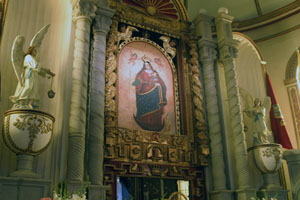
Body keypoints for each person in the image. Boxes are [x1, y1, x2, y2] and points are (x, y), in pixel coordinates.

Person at [132, 59, 167, 131]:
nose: (147, 66)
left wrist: (159, 84)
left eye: (148, 65)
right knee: (147, 107)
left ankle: (156, 124)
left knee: (156, 106)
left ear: (150, 65)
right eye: (145, 65)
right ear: (144, 66)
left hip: (155, 94)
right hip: (145, 93)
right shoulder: (141, 73)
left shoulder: (155, 73)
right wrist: (141, 81)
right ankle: (145, 122)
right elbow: (137, 83)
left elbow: (162, 84)